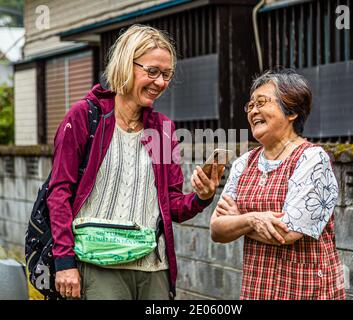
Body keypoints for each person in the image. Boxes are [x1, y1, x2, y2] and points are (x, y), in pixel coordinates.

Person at [47, 24, 223, 300]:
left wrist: (202, 197)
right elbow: (59, 193)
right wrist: (64, 262)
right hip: (98, 266)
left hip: (154, 269)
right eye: (152, 71)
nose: (160, 82)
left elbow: (172, 206)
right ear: (126, 64)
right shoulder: (83, 117)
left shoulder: (163, 130)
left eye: (166, 74)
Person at [210, 69, 346, 300]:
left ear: (291, 110)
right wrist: (252, 219)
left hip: (307, 290)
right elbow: (217, 230)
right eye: (250, 105)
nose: (253, 110)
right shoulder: (244, 163)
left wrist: (239, 220)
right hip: (258, 289)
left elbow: (289, 231)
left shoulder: (312, 159)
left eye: (261, 102)